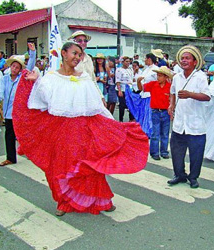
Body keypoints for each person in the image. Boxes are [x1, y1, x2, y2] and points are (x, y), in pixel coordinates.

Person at [14, 42, 149, 216]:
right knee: (62, 165)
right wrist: (36, 81)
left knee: (91, 165)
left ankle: (101, 200)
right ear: (63, 53)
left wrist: (112, 124)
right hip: (62, 131)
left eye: (80, 55)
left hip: (85, 129)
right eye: (74, 53)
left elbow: (96, 105)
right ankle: (64, 202)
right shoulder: (51, 77)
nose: (77, 58)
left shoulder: (84, 77)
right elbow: (43, 100)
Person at [167, 45, 211, 189]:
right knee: (176, 152)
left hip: (195, 123)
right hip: (179, 123)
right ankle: (179, 174)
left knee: (196, 154)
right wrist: (171, 105)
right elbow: (172, 92)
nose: (184, 60)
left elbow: (207, 96)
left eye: (187, 58)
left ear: (194, 61)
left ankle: (193, 177)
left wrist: (190, 94)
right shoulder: (177, 77)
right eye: (182, 58)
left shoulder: (200, 77)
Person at [0, 43, 36, 166]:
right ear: (10, 66)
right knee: (9, 135)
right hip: (8, 112)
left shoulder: (22, 78)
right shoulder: (4, 79)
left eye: (17, 67)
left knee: (24, 133)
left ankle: (31, 152)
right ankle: (10, 157)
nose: (14, 69)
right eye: (13, 66)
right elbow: (0, 91)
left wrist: (32, 52)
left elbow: (30, 66)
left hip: (20, 112)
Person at [137, 66, 173, 160]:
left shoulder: (170, 86)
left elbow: (173, 98)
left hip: (166, 112)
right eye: (157, 75)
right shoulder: (153, 84)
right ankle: (155, 153)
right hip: (155, 111)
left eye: (160, 76)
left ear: (165, 77)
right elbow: (141, 89)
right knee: (155, 133)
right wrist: (138, 82)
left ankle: (164, 152)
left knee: (165, 133)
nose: (158, 77)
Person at [69, 30, 105, 105]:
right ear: (73, 42)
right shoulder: (68, 59)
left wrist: (101, 97)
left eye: (85, 41)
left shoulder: (88, 59)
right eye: (79, 41)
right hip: (73, 98)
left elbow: (93, 80)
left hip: (88, 97)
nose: (83, 43)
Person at [126, 53, 159, 137]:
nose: (144, 60)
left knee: (149, 113)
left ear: (149, 59)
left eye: (145, 58)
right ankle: (145, 129)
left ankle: (150, 130)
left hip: (150, 94)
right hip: (144, 93)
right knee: (144, 113)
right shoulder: (146, 69)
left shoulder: (155, 69)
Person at [116, 56, 135, 122]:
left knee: (131, 104)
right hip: (122, 89)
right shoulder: (119, 70)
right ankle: (121, 119)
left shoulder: (130, 69)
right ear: (122, 62)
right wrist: (119, 90)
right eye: (126, 61)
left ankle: (131, 119)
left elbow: (132, 79)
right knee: (122, 105)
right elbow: (118, 81)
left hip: (130, 89)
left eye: (129, 61)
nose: (128, 63)